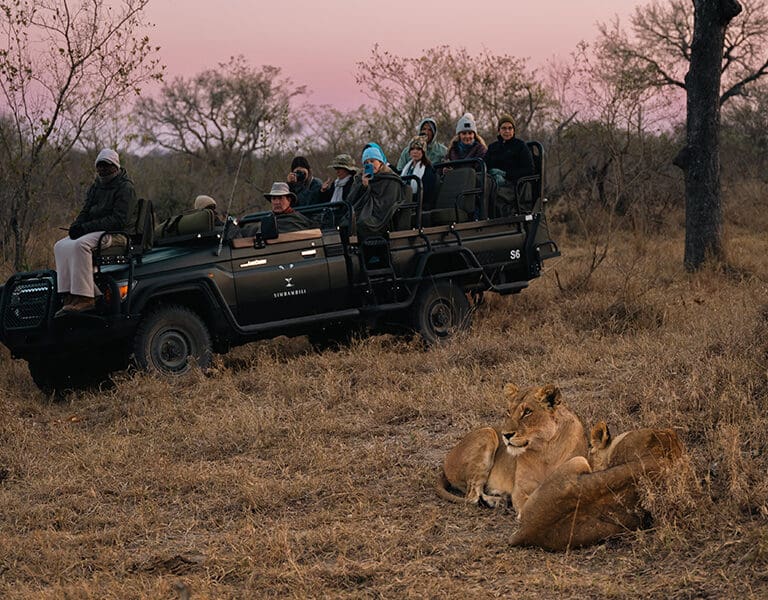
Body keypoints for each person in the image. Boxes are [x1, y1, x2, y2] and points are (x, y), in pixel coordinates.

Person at [53, 148, 137, 315]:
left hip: (118, 235)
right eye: (99, 165)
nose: (102, 169)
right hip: (97, 231)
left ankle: (86, 298)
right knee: (60, 246)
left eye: (106, 165)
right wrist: (77, 226)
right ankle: (69, 296)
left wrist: (86, 228)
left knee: (80, 246)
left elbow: (118, 220)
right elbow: (85, 210)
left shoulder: (125, 188)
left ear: (115, 166)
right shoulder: (96, 186)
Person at [349, 143, 408, 238]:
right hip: (363, 212)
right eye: (366, 163)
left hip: (381, 216)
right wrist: (364, 186)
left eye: (372, 161)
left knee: (363, 223)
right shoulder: (360, 179)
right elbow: (352, 200)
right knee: (346, 222)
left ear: (380, 162)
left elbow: (386, 204)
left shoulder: (391, 179)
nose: (370, 165)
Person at [484, 114, 534, 188]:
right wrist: (491, 173)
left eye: (510, 128)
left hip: (513, 186)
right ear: (499, 130)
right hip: (492, 182)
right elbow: (485, 164)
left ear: (514, 130)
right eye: (504, 128)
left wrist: (505, 174)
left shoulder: (520, 146)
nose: (507, 131)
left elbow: (529, 170)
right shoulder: (493, 147)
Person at [399, 136, 437, 208]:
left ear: (423, 151)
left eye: (418, 149)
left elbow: (427, 194)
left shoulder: (428, 169)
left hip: (420, 204)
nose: (415, 151)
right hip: (405, 201)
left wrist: (409, 199)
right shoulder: (407, 168)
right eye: (412, 149)